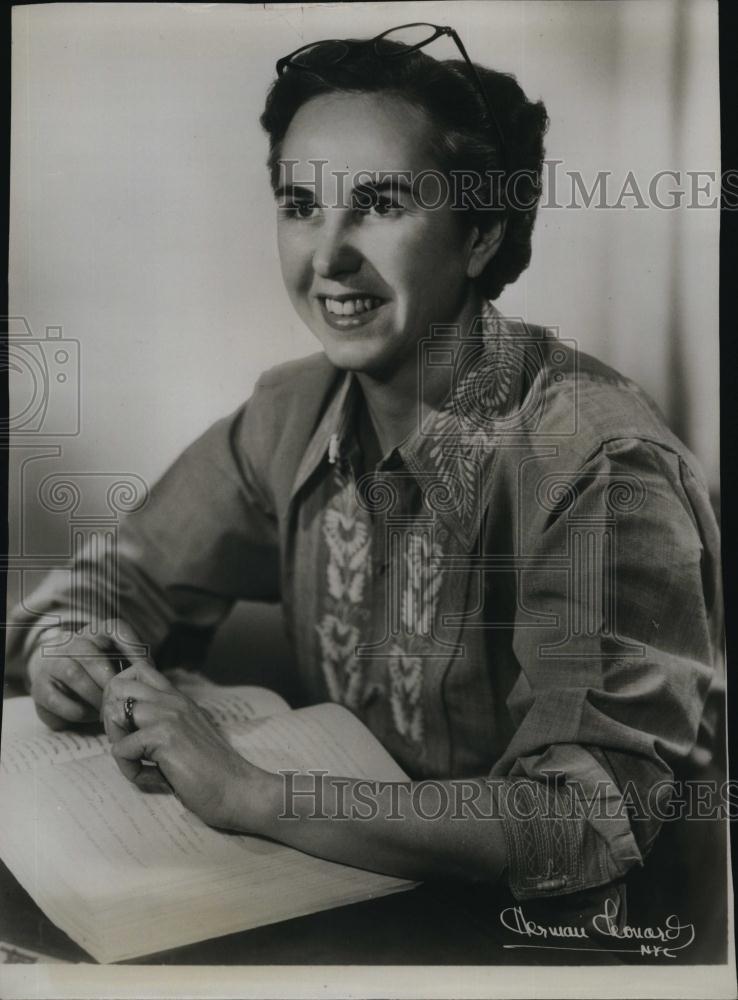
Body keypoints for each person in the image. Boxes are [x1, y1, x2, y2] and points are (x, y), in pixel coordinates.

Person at [5, 24, 724, 937]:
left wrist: (255, 793)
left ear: (480, 233)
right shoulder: (293, 412)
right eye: (300, 205)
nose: (330, 257)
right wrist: (71, 642)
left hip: (578, 943)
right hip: (349, 899)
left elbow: (582, 818)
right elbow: (119, 578)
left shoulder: (596, 463)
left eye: (380, 203)